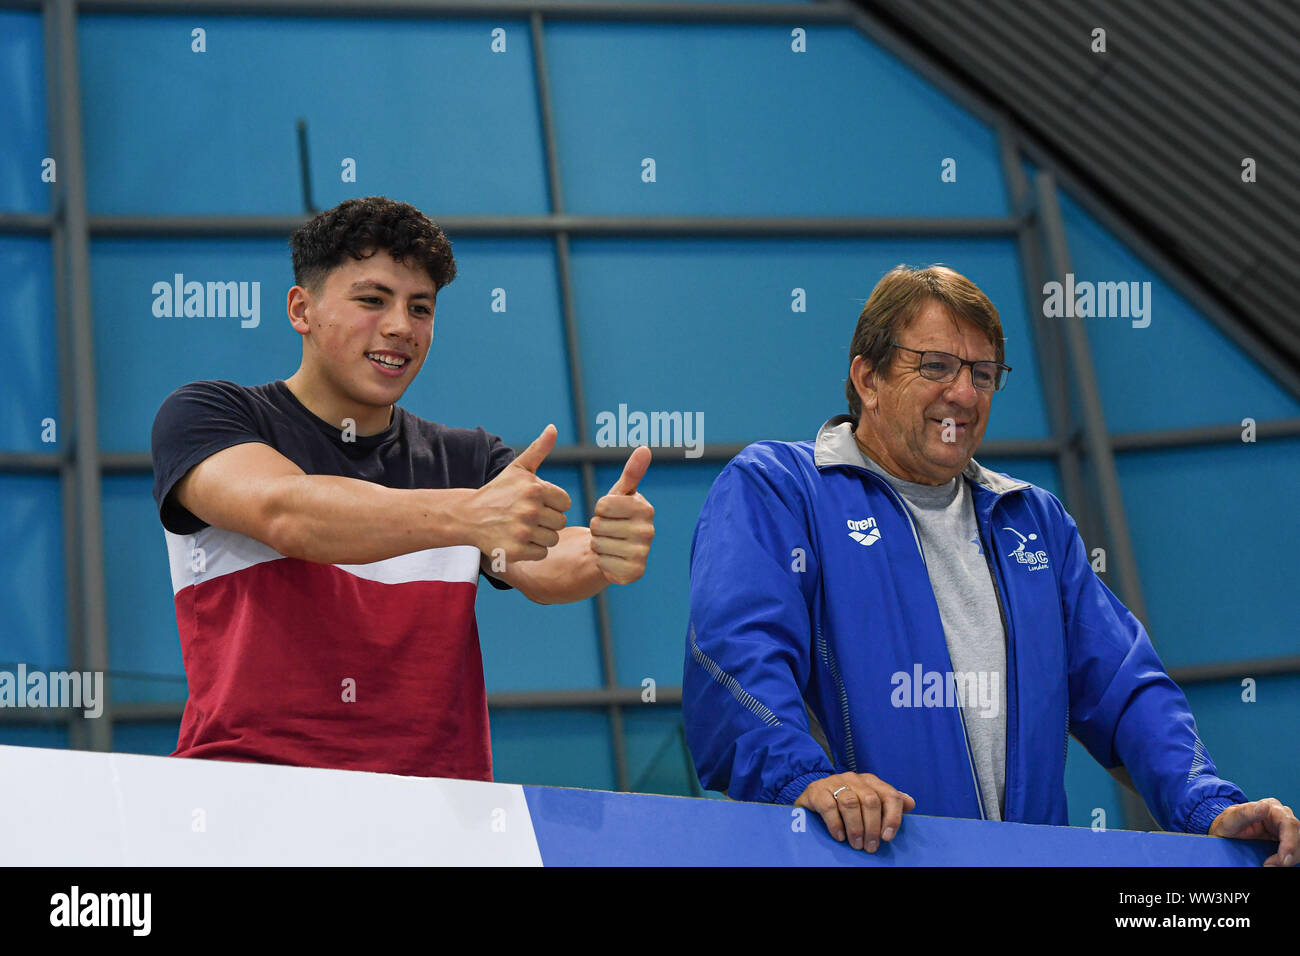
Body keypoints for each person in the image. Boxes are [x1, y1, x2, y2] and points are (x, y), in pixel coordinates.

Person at [682, 264, 1297, 866]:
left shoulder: (1033, 522)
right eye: (936, 366)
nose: (964, 394)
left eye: (983, 373)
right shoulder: (781, 490)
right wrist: (804, 782)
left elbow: (1126, 690)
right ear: (867, 378)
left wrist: (1206, 807)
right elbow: (735, 658)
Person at [151, 196, 655, 781]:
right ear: (301, 308)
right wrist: (468, 514)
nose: (400, 326)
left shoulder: (466, 458)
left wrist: (600, 550)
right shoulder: (208, 414)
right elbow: (284, 512)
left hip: (441, 814)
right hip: (250, 800)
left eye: (421, 308)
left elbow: (541, 561)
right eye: (371, 300)